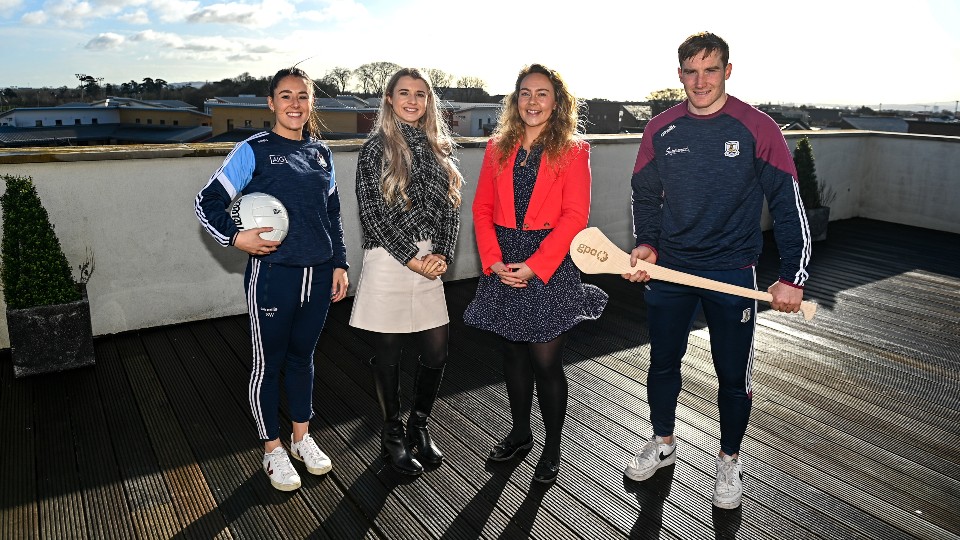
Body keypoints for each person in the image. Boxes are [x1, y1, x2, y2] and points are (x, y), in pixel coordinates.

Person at [622, 32, 811, 509]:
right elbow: (644, 194)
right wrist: (646, 243)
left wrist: (793, 275)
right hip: (671, 271)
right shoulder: (661, 130)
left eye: (710, 69)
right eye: (691, 70)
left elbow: (787, 203)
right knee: (662, 362)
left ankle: (728, 460)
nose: (700, 80)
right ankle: (663, 442)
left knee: (732, 375)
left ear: (728, 70)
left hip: (732, 271)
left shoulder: (757, 127)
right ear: (679, 74)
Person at [195, 66, 349, 492]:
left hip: (318, 276)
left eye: (302, 96)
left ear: (311, 102)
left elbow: (331, 214)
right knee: (270, 363)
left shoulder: (321, 153)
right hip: (273, 277)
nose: (294, 104)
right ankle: (272, 450)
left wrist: (339, 262)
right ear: (271, 103)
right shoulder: (253, 150)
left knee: (303, 359)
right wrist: (234, 236)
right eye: (285, 96)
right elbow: (206, 201)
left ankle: (302, 439)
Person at [464, 64, 607, 484]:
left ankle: (552, 448)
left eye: (542, 94)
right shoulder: (497, 147)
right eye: (525, 93)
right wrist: (493, 261)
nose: (532, 101)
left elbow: (574, 216)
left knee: (546, 361)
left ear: (557, 101)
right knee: (512, 353)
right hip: (504, 260)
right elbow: (482, 210)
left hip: (550, 260)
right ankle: (521, 433)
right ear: (515, 100)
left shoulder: (574, 150)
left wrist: (536, 265)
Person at [349, 68, 463, 476]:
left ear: (428, 101)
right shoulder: (375, 148)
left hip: (429, 261)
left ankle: (419, 424)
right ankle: (392, 434)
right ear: (389, 99)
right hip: (387, 259)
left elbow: (451, 211)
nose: (412, 100)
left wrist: (445, 255)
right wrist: (408, 257)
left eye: (420, 94)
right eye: (404, 93)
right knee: (388, 355)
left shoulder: (440, 150)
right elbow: (372, 213)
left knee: (436, 350)